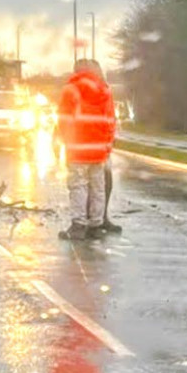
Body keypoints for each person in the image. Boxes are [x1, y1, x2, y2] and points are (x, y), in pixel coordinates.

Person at [56, 59, 117, 240]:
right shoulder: (105, 90)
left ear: (76, 71)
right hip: (98, 150)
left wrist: (67, 140)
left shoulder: (71, 89)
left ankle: (78, 225)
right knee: (98, 187)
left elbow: (64, 119)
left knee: (78, 186)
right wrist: (106, 145)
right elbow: (110, 121)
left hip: (78, 148)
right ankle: (96, 225)